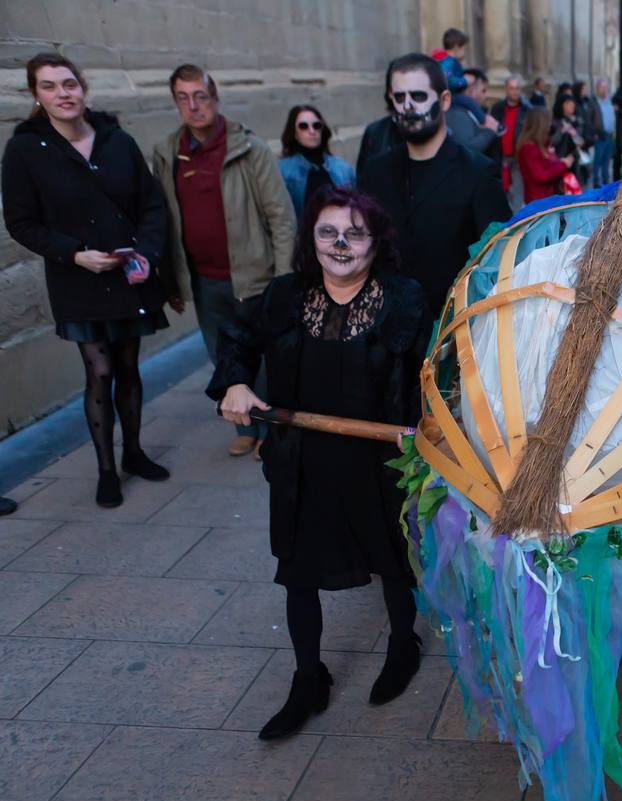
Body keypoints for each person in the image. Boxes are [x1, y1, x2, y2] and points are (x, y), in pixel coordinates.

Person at [210, 186, 430, 740]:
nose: (341, 244)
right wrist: (237, 381)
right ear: (312, 240)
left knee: (392, 561)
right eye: (328, 232)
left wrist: (426, 428)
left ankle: (403, 645)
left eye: (355, 234)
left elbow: (436, 370)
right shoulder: (285, 297)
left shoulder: (403, 299)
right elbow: (236, 336)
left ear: (375, 242)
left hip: (378, 459)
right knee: (298, 573)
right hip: (300, 461)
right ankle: (309, 677)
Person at [3, 53, 171, 508]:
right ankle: (105, 469)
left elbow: (152, 205)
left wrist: (147, 254)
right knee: (100, 371)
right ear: (35, 95)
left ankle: (134, 453)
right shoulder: (24, 150)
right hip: (78, 281)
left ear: (83, 87)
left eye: (70, 83)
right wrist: (74, 254)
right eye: (51, 86)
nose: (64, 93)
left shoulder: (117, 140)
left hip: (130, 275)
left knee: (130, 367)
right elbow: (21, 222)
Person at [153, 63, 295, 459]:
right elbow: (164, 219)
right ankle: (244, 427)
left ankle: (269, 431)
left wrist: (284, 278)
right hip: (204, 278)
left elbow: (281, 217)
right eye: (183, 98)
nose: (193, 105)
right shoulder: (167, 153)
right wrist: (172, 281)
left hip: (254, 276)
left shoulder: (249, 149)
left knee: (262, 356)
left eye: (200, 96)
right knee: (222, 355)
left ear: (214, 98)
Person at [358, 54, 510, 328]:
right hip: (385, 333)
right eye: (399, 97)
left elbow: (498, 262)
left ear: (445, 101)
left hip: (452, 334)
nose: (407, 106)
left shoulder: (478, 173)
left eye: (418, 96)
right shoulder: (375, 172)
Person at [278, 105, 356, 219]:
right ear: (294, 133)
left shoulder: (343, 169)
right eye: (303, 126)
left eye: (316, 125)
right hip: (302, 235)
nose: (311, 131)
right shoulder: (283, 171)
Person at [356, 60, 406, 178]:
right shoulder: (375, 132)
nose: (408, 102)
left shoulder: (434, 130)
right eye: (401, 92)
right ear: (390, 92)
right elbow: (363, 179)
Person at [517, 107, 575, 202]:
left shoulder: (540, 144)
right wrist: (563, 165)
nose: (549, 125)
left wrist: (561, 163)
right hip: (538, 202)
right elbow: (541, 176)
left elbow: (546, 166)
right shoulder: (529, 148)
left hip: (546, 198)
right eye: (548, 121)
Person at [446, 68, 501, 161]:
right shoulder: (457, 114)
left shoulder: (471, 111)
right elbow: (466, 150)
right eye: (483, 90)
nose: (486, 96)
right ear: (471, 90)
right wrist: (489, 131)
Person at [492, 76, 531, 200]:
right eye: (511, 88)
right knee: (500, 193)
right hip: (500, 156)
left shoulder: (527, 109)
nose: (515, 92)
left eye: (517, 88)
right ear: (506, 89)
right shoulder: (497, 108)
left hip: (518, 158)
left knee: (518, 194)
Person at [583, 77, 616, 188]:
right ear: (597, 89)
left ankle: (606, 181)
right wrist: (594, 134)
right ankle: (596, 183)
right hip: (599, 136)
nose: (604, 90)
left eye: (605, 87)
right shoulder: (593, 103)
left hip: (609, 136)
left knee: (607, 161)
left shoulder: (609, 101)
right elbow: (588, 121)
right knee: (597, 161)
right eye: (602, 88)